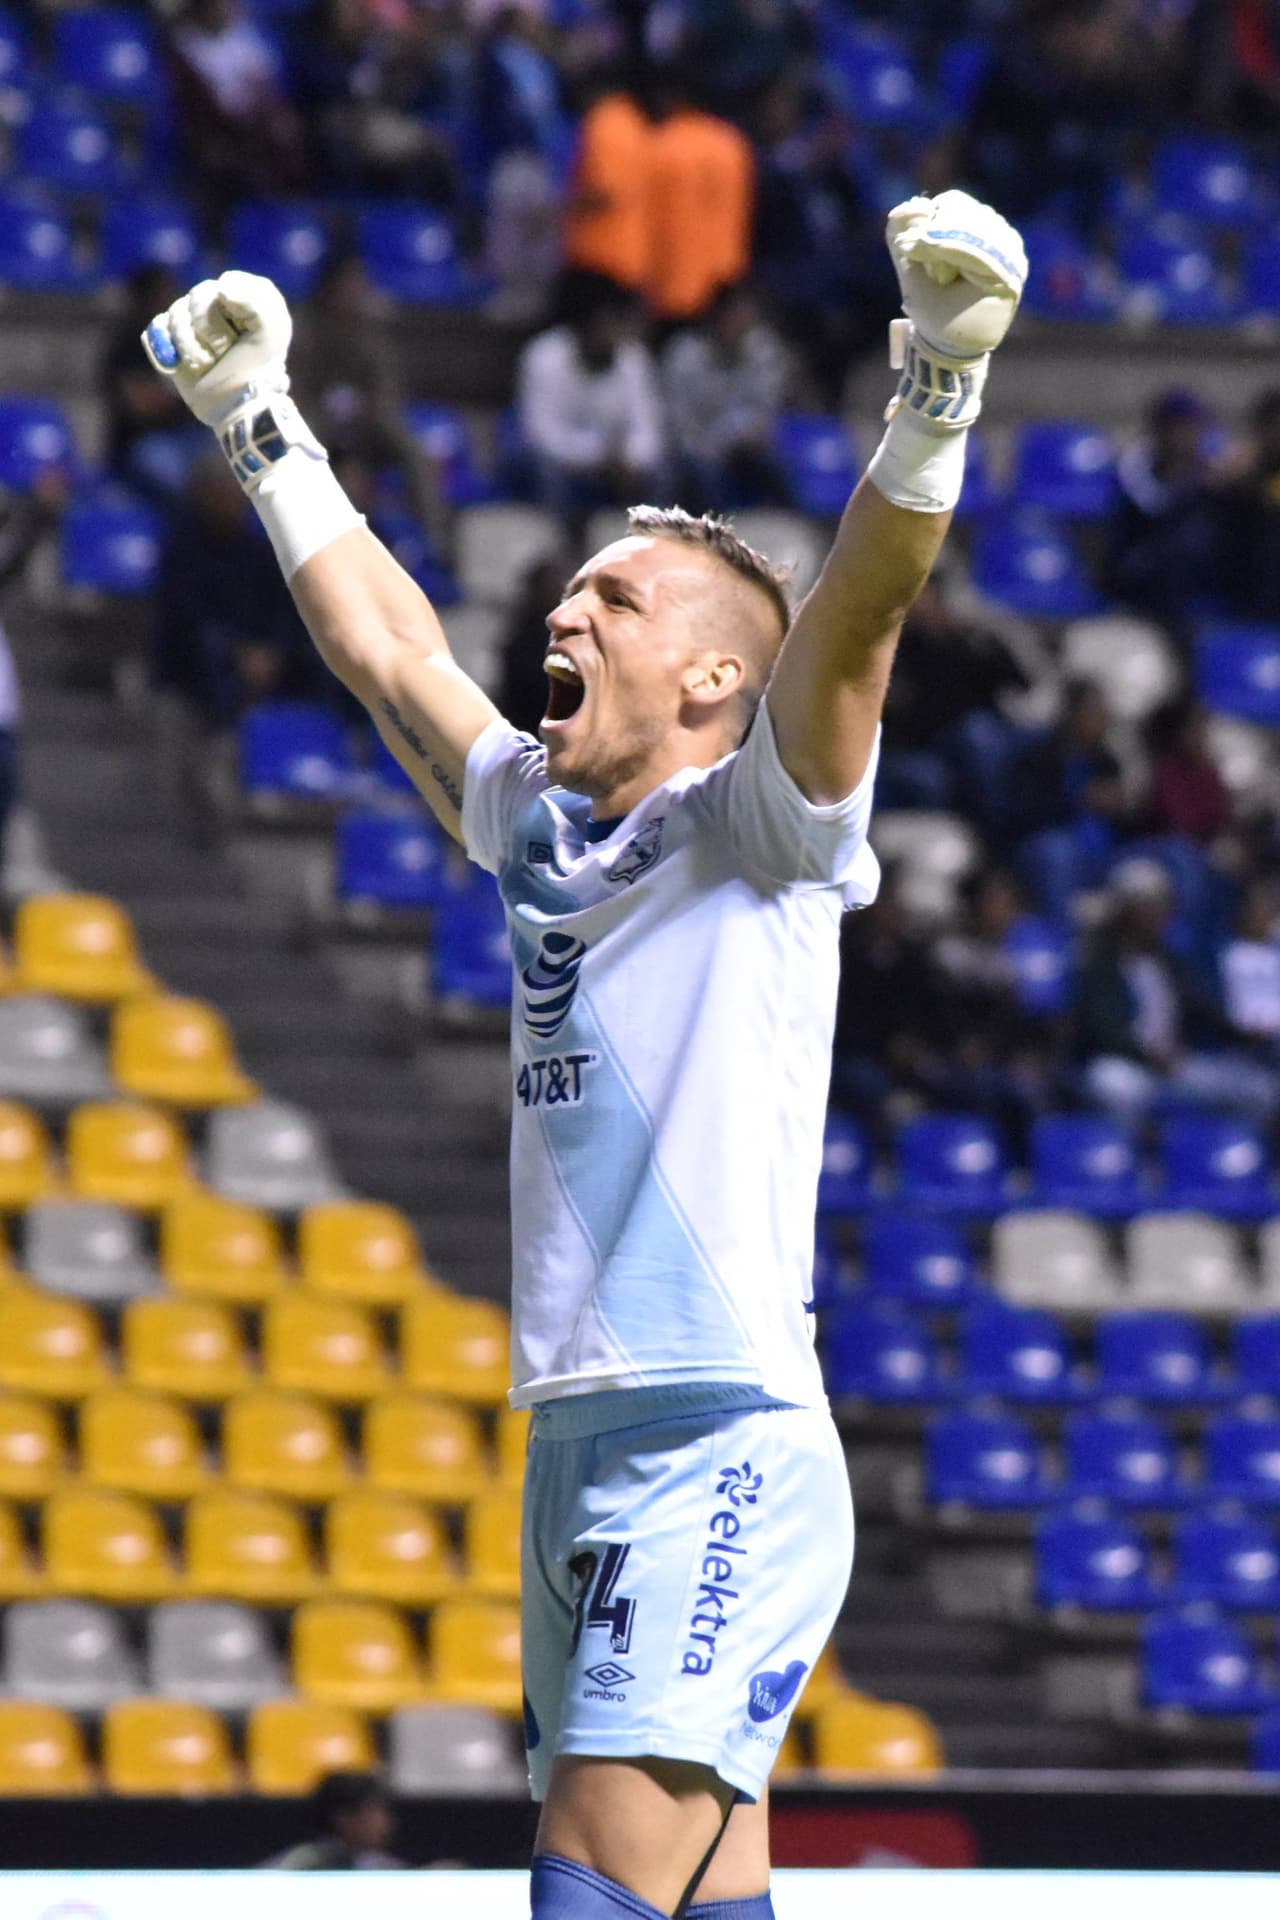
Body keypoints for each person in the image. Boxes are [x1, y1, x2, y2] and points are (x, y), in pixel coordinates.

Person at [143, 186, 1026, 1919]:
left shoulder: (760, 825)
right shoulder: (541, 826)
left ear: (711, 680)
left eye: (617, 599)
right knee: (702, 1900)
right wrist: (264, 429)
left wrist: (939, 384)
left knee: (589, 1895)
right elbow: (389, 650)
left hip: (715, 1434)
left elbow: (853, 628)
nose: (574, 604)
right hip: (580, 1438)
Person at [517, 270, 666, 515]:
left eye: (617, 324)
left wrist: (629, 460)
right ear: (585, 325)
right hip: (565, 462)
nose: (612, 333)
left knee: (661, 471)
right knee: (543, 470)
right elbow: (542, 435)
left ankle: (650, 545)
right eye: (604, 324)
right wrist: (597, 457)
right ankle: (564, 546)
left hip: (618, 465)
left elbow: (648, 429)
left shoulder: (632, 357)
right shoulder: (544, 357)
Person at [660, 282, 790, 513]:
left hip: (744, 448)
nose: (743, 326)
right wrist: (718, 446)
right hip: (699, 451)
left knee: (778, 466)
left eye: (748, 319)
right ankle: (716, 534)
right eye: (736, 317)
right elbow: (679, 426)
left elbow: (764, 411)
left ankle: (796, 533)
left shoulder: (763, 351)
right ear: (717, 317)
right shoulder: (685, 356)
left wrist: (746, 437)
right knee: (700, 473)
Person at [263, 1771, 407, 1870]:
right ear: (343, 1818)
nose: (385, 1821)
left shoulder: (384, 1867)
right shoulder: (299, 1865)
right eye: (375, 1811)